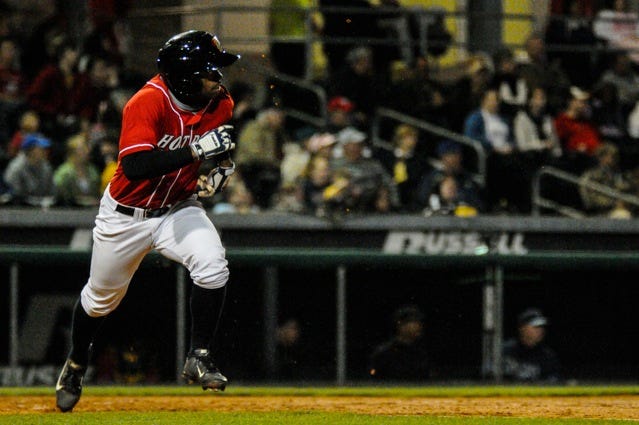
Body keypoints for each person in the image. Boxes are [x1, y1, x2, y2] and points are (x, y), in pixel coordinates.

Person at [55, 30, 240, 413]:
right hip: (126, 215)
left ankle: (199, 355)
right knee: (100, 299)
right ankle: (75, 363)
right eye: (210, 71)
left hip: (178, 207)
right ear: (186, 75)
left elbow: (220, 143)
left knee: (212, 266)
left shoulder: (220, 102)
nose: (219, 78)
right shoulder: (147, 101)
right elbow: (136, 166)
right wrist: (195, 151)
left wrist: (223, 166)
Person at [369, 305, 431, 381]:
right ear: (400, 325)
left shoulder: (421, 352)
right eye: (414, 322)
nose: (418, 326)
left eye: (419, 323)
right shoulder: (384, 353)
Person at [502, 308, 561, 383]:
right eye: (536, 326)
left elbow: (553, 380)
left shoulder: (547, 356)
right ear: (522, 328)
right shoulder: (505, 350)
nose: (540, 330)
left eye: (542, 327)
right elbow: (487, 375)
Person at [2, 132, 55, 206]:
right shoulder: (16, 168)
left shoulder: (46, 166)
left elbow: (51, 192)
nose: (45, 151)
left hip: (41, 208)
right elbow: (13, 195)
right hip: (19, 209)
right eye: (41, 148)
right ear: (30, 150)